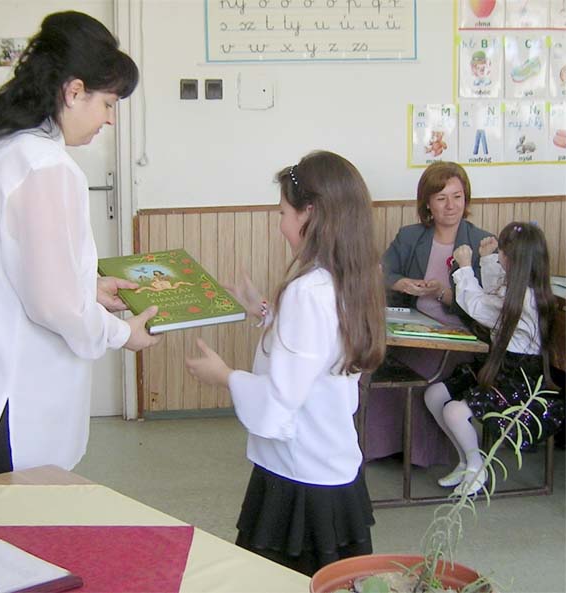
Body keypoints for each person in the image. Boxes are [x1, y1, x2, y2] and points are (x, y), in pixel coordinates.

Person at [0, 11, 161, 484]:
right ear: (74, 91)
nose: (110, 118)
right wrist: (123, 334)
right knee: (7, 521)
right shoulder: (44, 167)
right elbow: (53, 304)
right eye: (107, 103)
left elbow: (9, 268)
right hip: (2, 398)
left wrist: (89, 287)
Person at [185, 151, 386, 576]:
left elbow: (282, 396)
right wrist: (263, 309)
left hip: (301, 473)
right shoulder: (348, 275)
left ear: (308, 213)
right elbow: (316, 348)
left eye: (282, 212)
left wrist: (225, 377)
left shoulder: (307, 291)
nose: (280, 224)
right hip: (331, 459)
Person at [365, 161, 494, 468]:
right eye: (441, 198)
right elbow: (381, 273)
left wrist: (443, 294)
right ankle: (386, 446)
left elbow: (488, 306)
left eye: (457, 197)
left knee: (422, 368)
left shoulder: (481, 242)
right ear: (427, 203)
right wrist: (401, 283)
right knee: (374, 363)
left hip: (461, 337)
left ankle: (423, 453)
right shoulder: (410, 236)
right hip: (414, 326)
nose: (451, 206)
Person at [424, 222, 564, 495]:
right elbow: (494, 294)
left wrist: (465, 268)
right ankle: (467, 462)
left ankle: (477, 469)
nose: (500, 256)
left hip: (520, 381)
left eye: (502, 252)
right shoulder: (516, 288)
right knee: (434, 395)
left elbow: (479, 307)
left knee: (454, 411)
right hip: (499, 367)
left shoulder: (527, 301)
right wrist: (487, 260)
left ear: (513, 260)